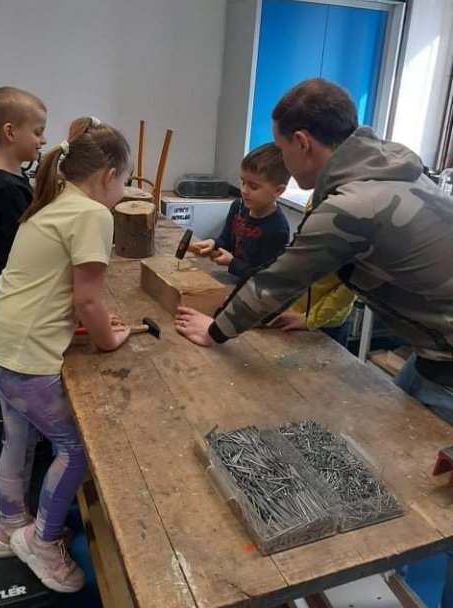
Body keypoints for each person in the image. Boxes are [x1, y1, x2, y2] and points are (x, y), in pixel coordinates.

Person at [174, 78, 453, 607]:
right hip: (431, 354)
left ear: (302, 142)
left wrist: (215, 330)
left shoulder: (354, 202)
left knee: (442, 505)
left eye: (281, 147)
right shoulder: (388, 166)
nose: (282, 159)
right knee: (401, 466)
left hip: (449, 363)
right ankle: (390, 564)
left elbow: (279, 278)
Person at [0, 117, 132, 593]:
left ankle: (10, 528)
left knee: (18, 438)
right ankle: (41, 542)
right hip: (22, 363)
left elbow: (50, 287)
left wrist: (85, 322)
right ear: (108, 176)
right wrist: (108, 339)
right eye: (124, 182)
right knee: (75, 449)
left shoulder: (53, 199)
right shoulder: (94, 214)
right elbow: (88, 300)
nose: (123, 192)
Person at [0, 87, 47, 455]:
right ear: (10, 132)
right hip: (7, 297)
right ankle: (4, 454)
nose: (42, 139)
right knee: (8, 387)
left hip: (9, 290)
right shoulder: (7, 190)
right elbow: (26, 253)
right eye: (37, 131)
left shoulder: (14, 181)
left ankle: (24, 451)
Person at [191, 144, 290, 281]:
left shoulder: (277, 229)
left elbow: (265, 278)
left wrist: (232, 263)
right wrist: (213, 243)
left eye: (253, 187)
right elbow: (226, 240)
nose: (244, 190)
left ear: (278, 191)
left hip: (254, 289)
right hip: (234, 279)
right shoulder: (238, 206)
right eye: (243, 182)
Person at [269, 195, 355, 347]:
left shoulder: (357, 230)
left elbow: (347, 290)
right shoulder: (320, 194)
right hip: (295, 312)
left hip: (327, 322)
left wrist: (310, 319)